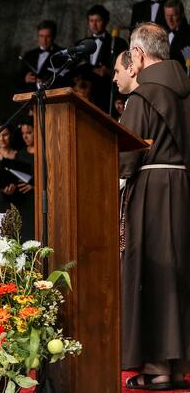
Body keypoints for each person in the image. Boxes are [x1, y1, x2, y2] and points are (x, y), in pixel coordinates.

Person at [116, 24, 190, 390]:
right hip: (183, 186)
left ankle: (157, 365)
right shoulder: (186, 91)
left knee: (152, 271)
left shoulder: (143, 96)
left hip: (152, 189)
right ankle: (177, 366)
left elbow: (126, 158)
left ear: (140, 55)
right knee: (177, 272)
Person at [76, 5, 128, 111]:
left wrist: (109, 72)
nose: (94, 25)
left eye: (98, 20)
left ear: (106, 21)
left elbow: (125, 70)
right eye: (91, 21)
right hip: (84, 95)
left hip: (105, 95)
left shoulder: (118, 43)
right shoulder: (81, 44)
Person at [2, 123, 35, 242]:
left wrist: (34, 186)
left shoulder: (45, 153)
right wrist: (9, 189)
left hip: (36, 202)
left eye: (29, 133)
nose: (25, 137)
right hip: (22, 202)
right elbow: (14, 179)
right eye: (23, 134)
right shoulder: (19, 154)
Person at [19, 20, 67, 93]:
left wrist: (48, 81)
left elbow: (67, 79)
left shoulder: (62, 53)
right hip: (30, 96)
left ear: (54, 36)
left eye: (48, 36)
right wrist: (25, 79)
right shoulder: (29, 55)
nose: (44, 40)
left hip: (52, 95)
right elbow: (17, 79)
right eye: (41, 36)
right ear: (37, 36)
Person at [163, 0, 190, 66]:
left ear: (182, 14)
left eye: (173, 15)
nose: (170, 20)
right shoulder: (163, 34)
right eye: (167, 16)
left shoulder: (188, 34)